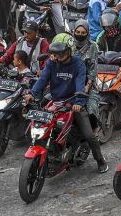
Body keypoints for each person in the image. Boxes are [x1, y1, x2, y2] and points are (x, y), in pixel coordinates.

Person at [25, 39, 109, 173]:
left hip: (74, 101)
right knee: (39, 124)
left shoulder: (78, 64)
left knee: (89, 135)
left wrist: (79, 102)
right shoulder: (51, 63)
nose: (57, 57)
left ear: (69, 52)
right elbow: (42, 80)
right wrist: (31, 94)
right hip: (55, 101)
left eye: (61, 54)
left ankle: (100, 160)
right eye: (55, 54)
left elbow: (80, 84)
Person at [70, 21, 101, 129]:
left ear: (87, 33)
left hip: (87, 82)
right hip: (68, 79)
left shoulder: (92, 46)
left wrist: (87, 86)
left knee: (91, 109)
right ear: (73, 31)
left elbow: (93, 68)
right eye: (77, 32)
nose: (80, 34)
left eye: (83, 32)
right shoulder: (69, 43)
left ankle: (94, 130)